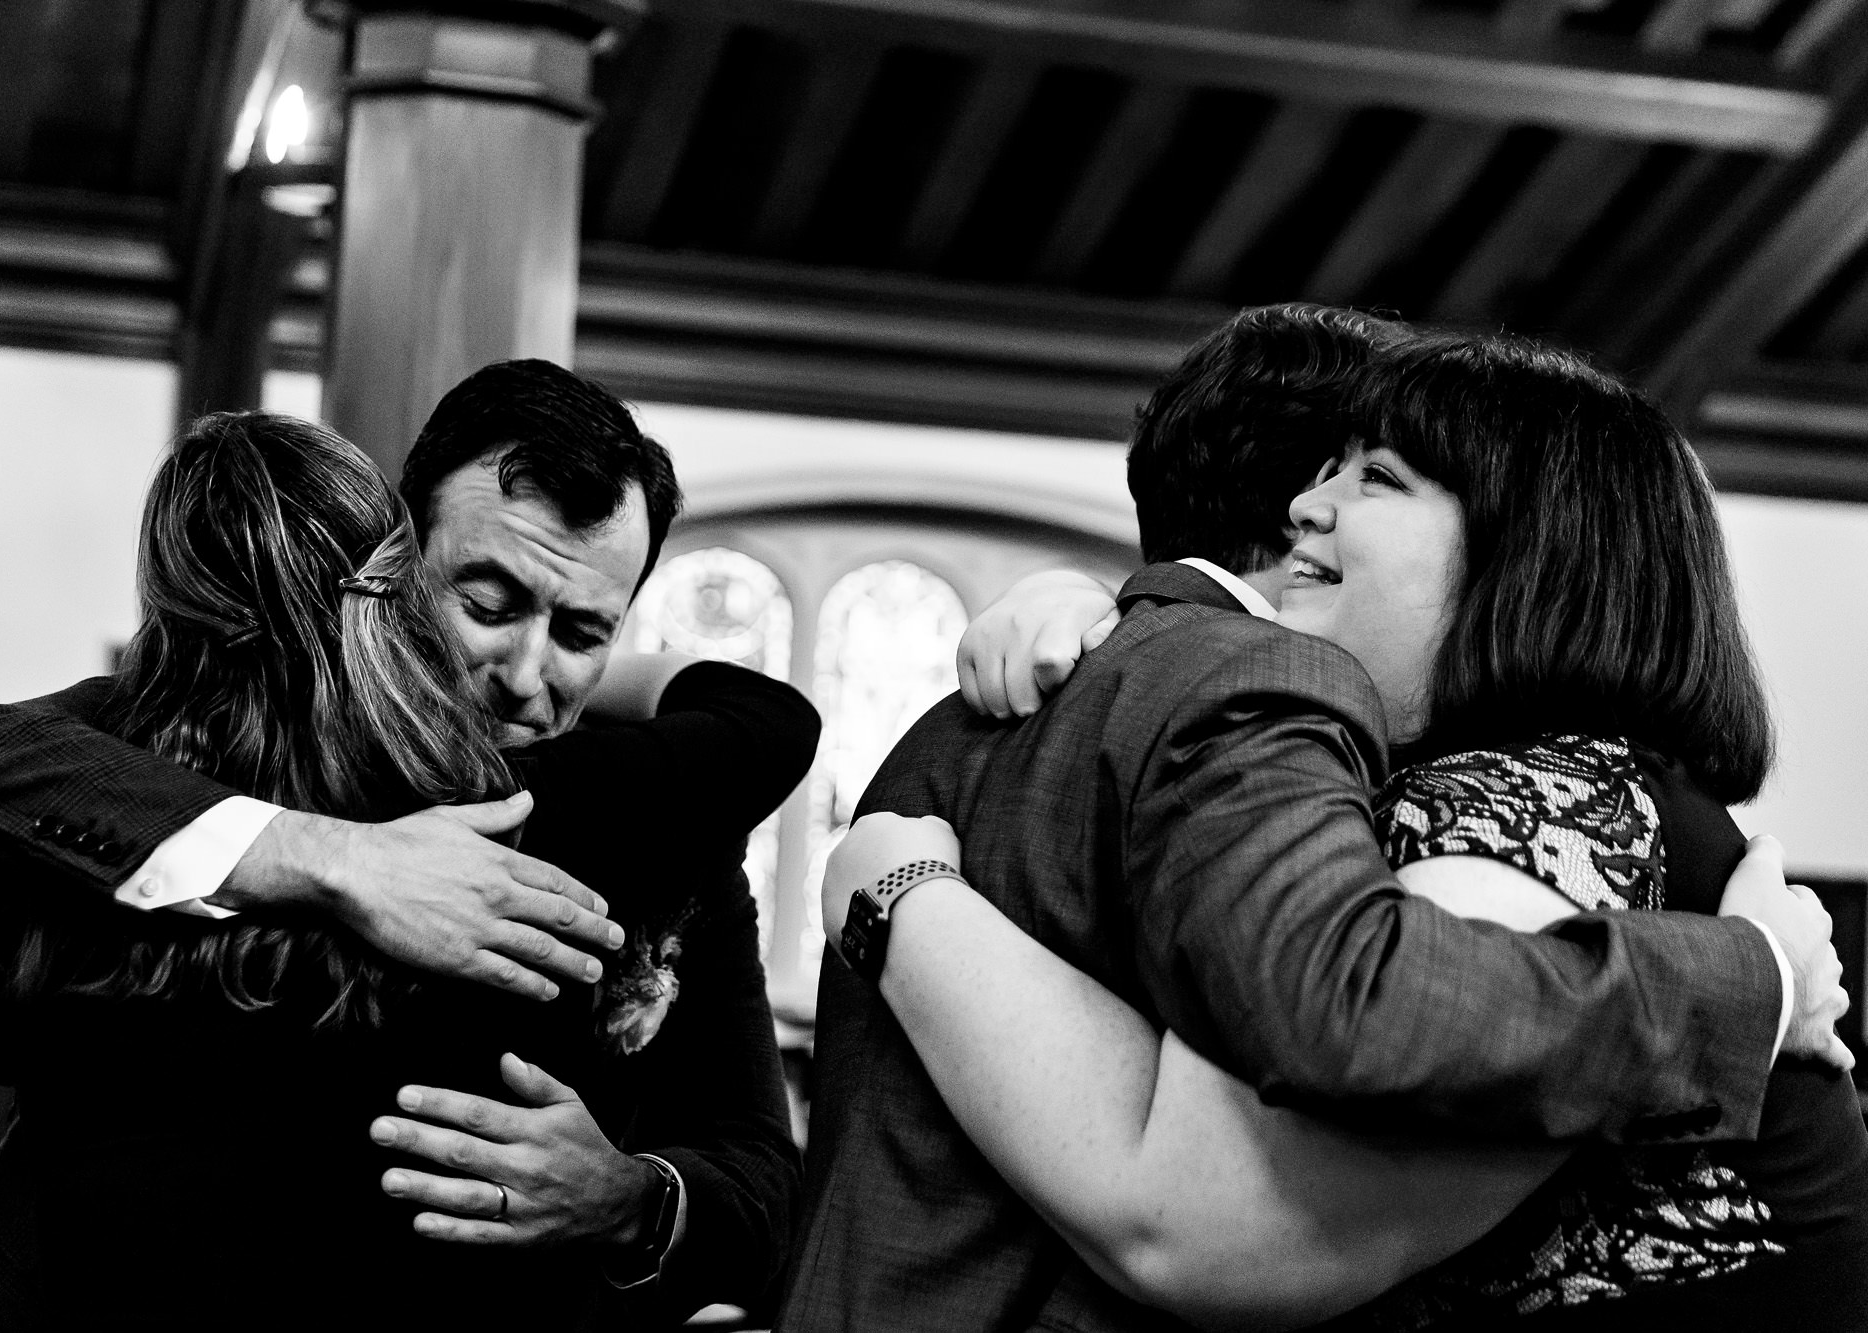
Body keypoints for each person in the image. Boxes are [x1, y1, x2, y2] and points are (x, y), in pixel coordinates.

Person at [779, 308, 1852, 1332]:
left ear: (1528, 555)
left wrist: (899, 895)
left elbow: (1209, 1228)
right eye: (1324, 468)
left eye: (1374, 476)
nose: (1304, 506)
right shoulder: (1408, 770)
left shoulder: (1535, 797)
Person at [0, 364, 816, 1327]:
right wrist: (329, 856)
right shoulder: (218, 748)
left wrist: (630, 1199)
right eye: (489, 604)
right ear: (394, 568)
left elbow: (761, 1183)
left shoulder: (655, 818)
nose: (525, 677)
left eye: (584, 630)